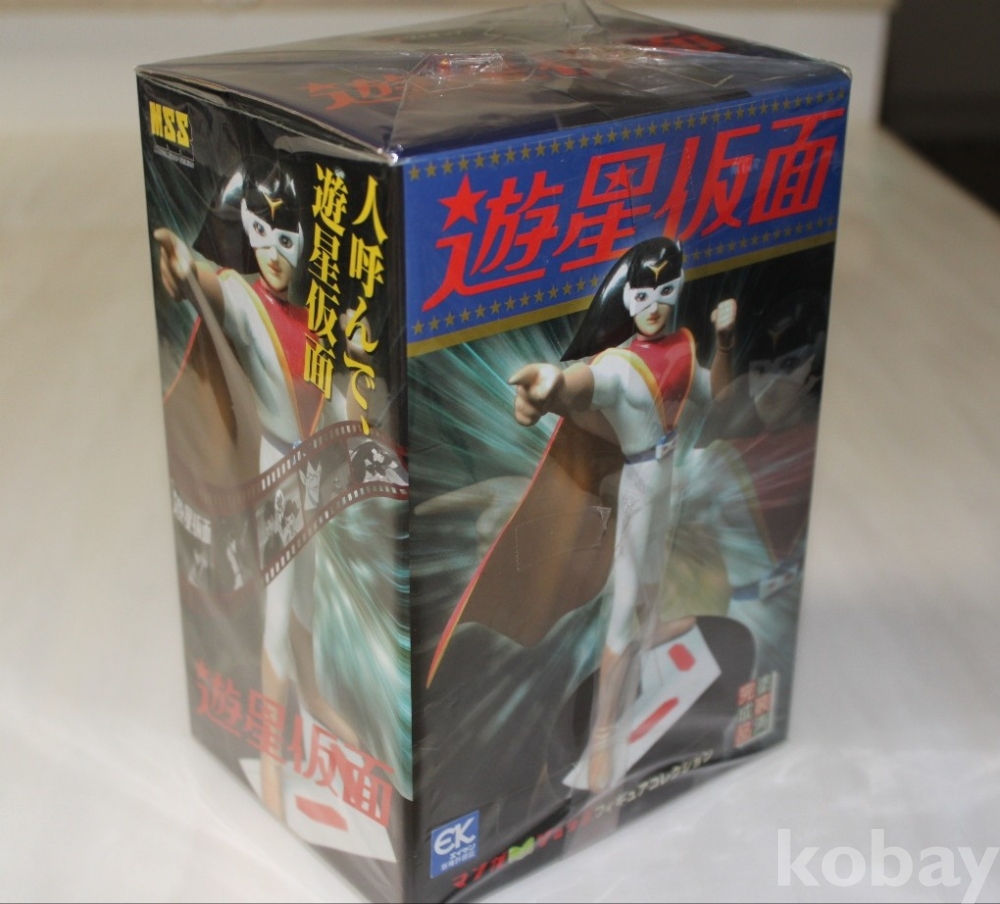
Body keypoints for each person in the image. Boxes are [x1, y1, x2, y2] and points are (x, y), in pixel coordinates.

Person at [154, 157, 359, 820]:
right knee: (278, 615)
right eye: (260, 235)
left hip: (315, 472)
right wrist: (183, 266)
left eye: (286, 237)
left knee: (307, 604)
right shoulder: (246, 299)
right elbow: (209, 285)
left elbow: (337, 393)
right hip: (277, 470)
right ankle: (273, 757)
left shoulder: (317, 315)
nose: (273, 252)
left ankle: (314, 702)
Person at [507, 236, 737, 792]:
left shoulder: (683, 345)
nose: (653, 305)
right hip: (639, 483)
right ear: (628, 299)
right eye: (642, 294)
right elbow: (588, 383)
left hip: (669, 480)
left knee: (654, 577)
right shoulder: (620, 365)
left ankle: (653, 629)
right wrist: (552, 386)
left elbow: (718, 398)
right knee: (624, 604)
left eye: (663, 290)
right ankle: (605, 731)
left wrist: (726, 342)